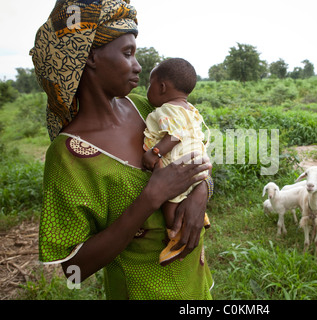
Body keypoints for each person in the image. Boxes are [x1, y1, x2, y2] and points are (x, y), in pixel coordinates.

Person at [30, 0, 213, 300]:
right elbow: (74, 269)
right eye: (128, 53)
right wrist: (151, 198)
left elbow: (194, 144)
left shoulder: (144, 108)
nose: (138, 66)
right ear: (89, 58)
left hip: (195, 284)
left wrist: (201, 191)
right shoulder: (68, 155)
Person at [141, 58, 211, 266]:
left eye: (149, 84)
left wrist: (154, 153)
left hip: (178, 163)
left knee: (171, 207)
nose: (147, 89)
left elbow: (175, 135)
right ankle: (201, 217)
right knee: (186, 197)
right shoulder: (189, 109)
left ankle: (176, 238)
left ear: (162, 87)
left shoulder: (166, 110)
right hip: (196, 161)